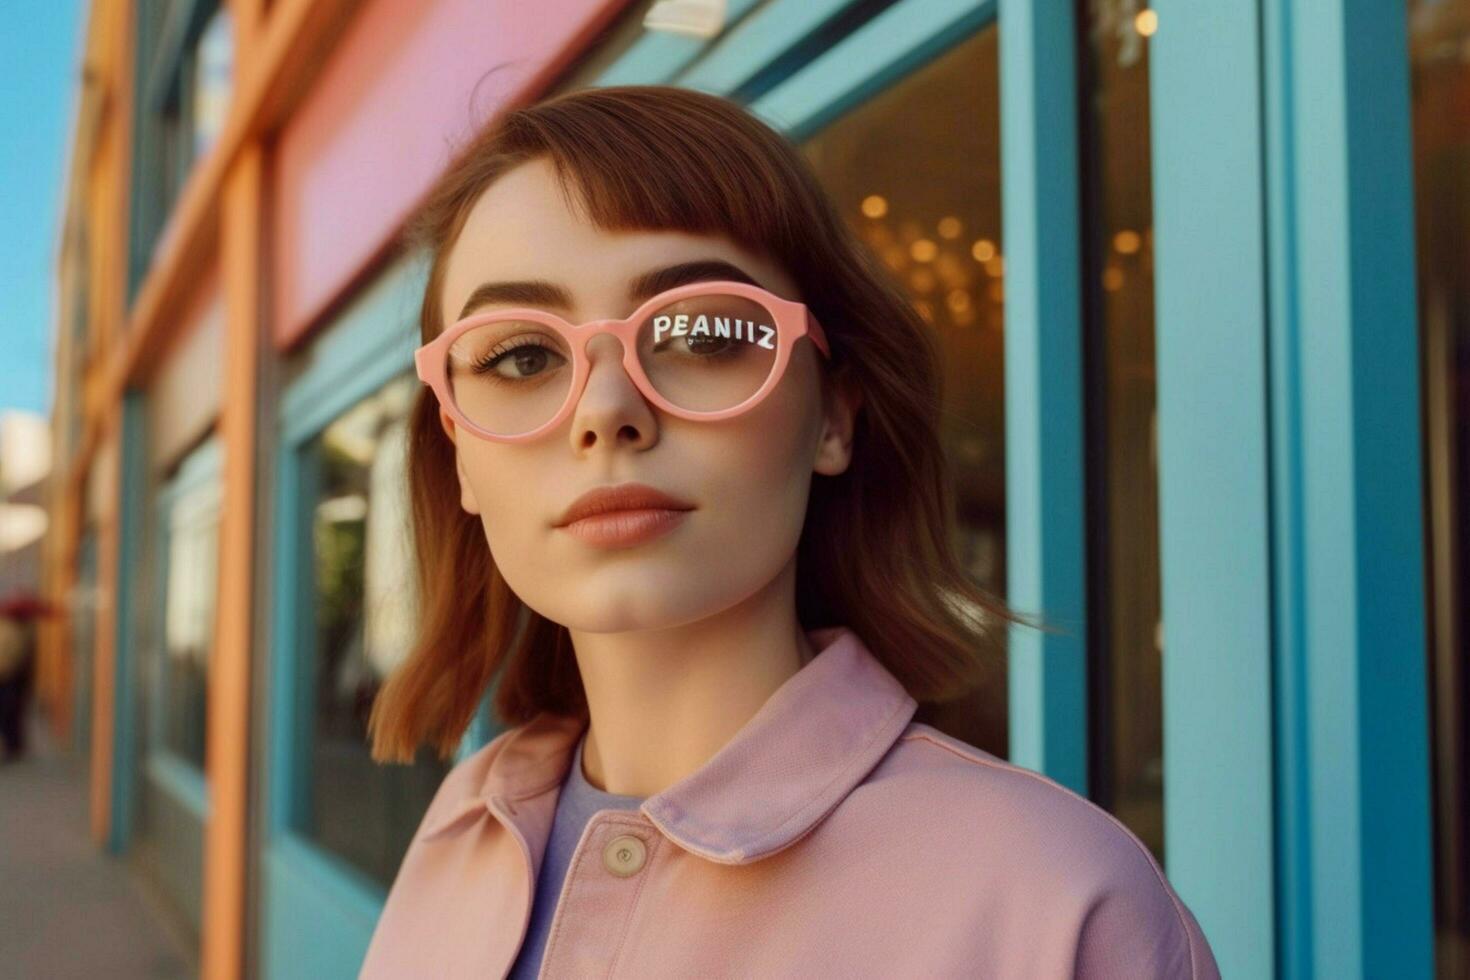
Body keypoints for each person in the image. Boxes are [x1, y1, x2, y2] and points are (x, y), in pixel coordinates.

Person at [358, 84, 1221, 978]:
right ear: (457, 448)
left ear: (833, 418)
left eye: (701, 333)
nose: (606, 411)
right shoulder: (464, 824)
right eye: (521, 357)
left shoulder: (1060, 900)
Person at [0, 592, 48, 761]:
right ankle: (13, 745)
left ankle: (13, 746)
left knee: (10, 713)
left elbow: (11, 656)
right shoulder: (13, 630)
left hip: (10, 677)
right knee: (10, 713)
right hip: (10, 677)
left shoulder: (15, 630)